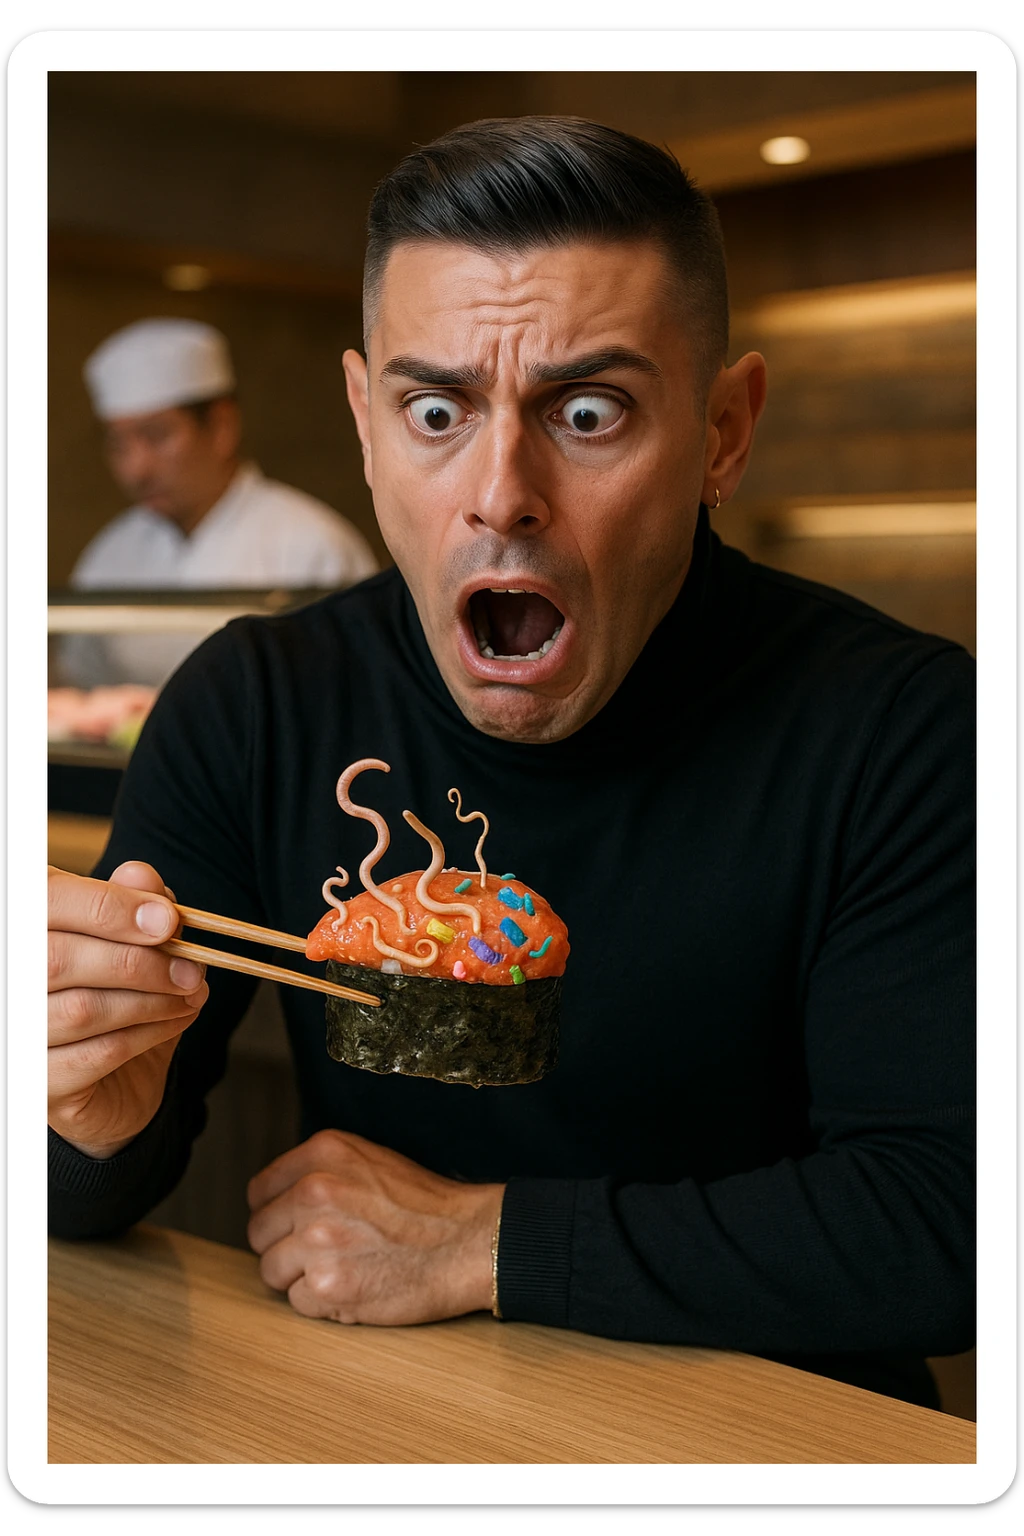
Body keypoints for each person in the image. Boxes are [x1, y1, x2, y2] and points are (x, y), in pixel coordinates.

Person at [47, 117, 974, 1410]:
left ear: (721, 430)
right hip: (370, 1418)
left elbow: (951, 1222)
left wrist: (486, 1241)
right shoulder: (257, 702)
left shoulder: (906, 731)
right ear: (367, 424)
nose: (500, 493)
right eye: (437, 410)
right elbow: (80, 1197)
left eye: (588, 411)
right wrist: (81, 1108)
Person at [58, 317, 379, 687]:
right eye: (118, 444)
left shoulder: (312, 544)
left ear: (222, 427)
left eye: (156, 435)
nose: (136, 468)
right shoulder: (110, 554)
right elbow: (79, 684)